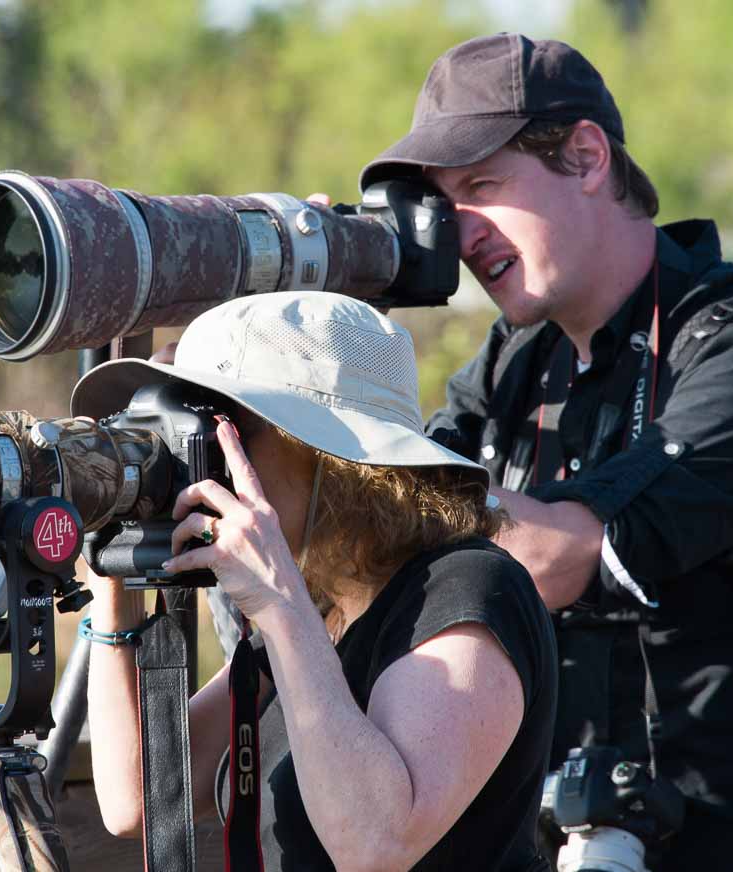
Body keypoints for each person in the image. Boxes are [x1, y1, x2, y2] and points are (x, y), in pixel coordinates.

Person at [352, 32, 733, 870]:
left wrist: (373, 483)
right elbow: (377, 541)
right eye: (442, 204)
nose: (460, 234)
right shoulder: (512, 364)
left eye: (481, 186)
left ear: (585, 157)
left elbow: (550, 556)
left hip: (729, 851)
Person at [75, 291, 558, 871]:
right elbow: (139, 799)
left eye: (215, 433)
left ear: (329, 453)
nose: (197, 467)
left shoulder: (469, 589)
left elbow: (376, 845)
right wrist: (114, 567)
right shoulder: (322, 610)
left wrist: (279, 605)